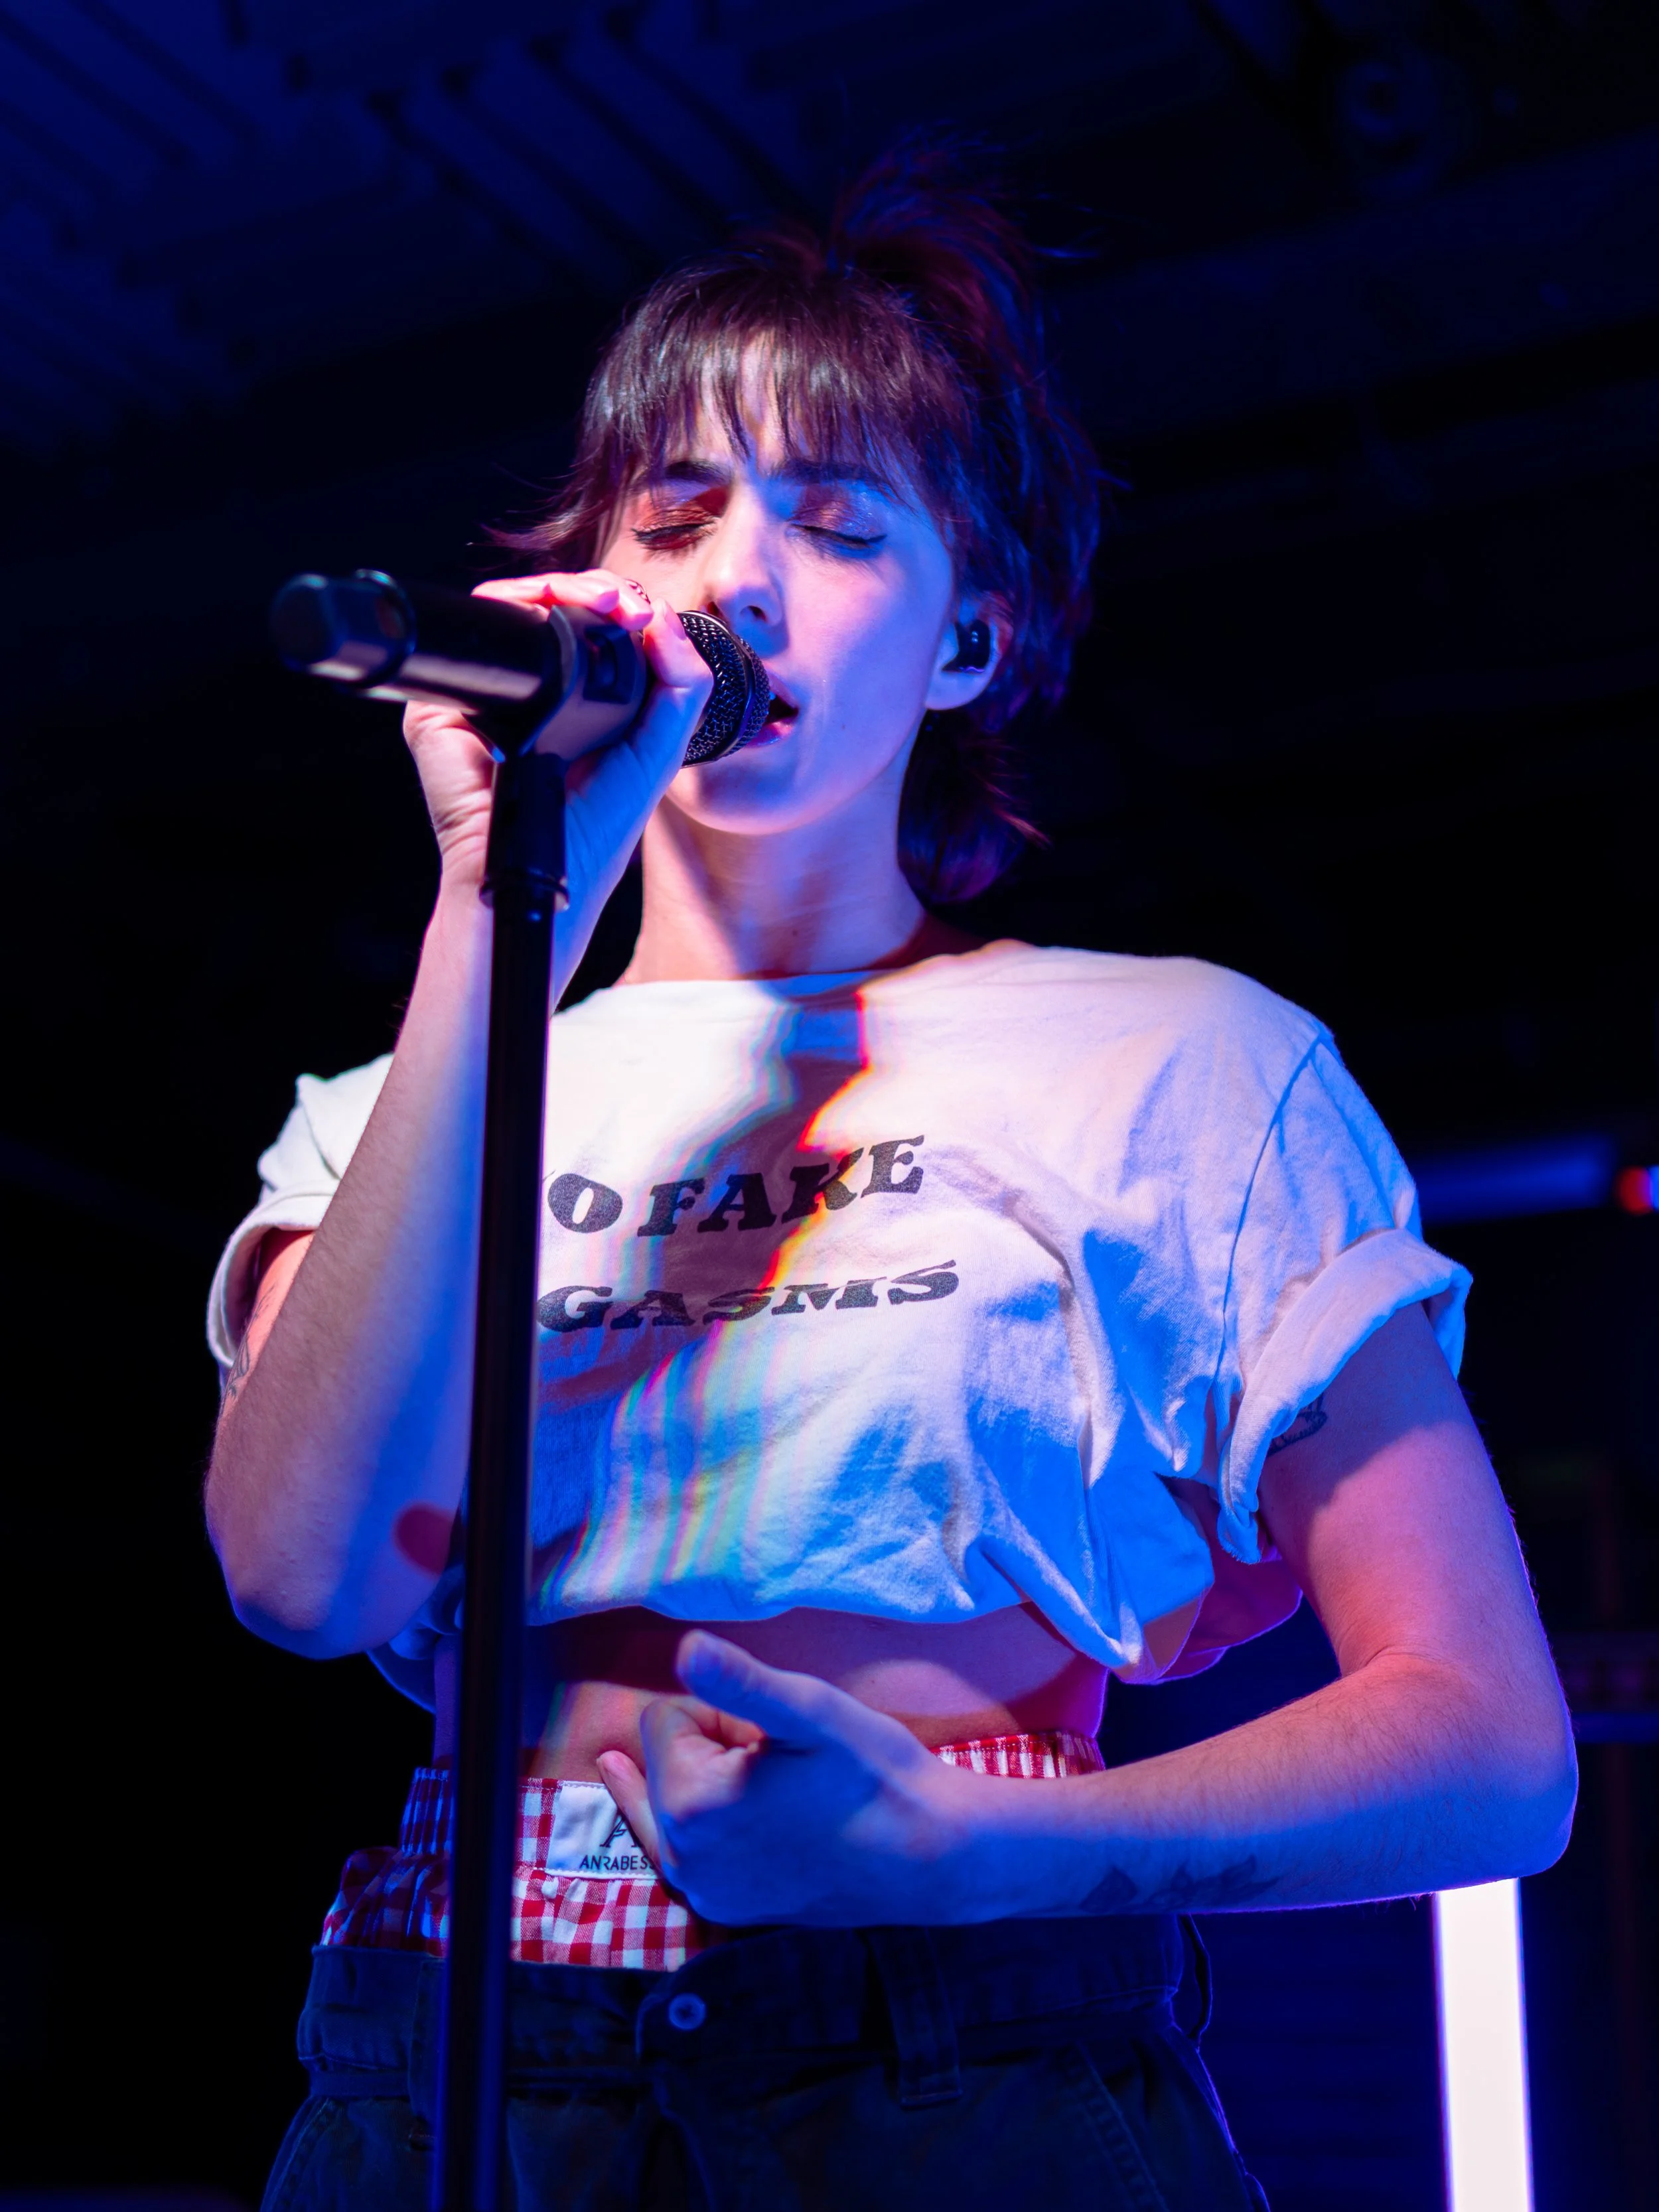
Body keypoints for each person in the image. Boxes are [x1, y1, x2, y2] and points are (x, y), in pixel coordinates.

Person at [204, 147, 1575, 2212]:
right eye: (676, 514)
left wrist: (971, 1849)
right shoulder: (428, 1078)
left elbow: (1487, 1743)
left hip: (956, 2047)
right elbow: (298, 1579)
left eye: (835, 525)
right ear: (580, 585)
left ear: (965, 643)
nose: (738, 579)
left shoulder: (1177, 1057)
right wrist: (498, 910)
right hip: (460, 2039)